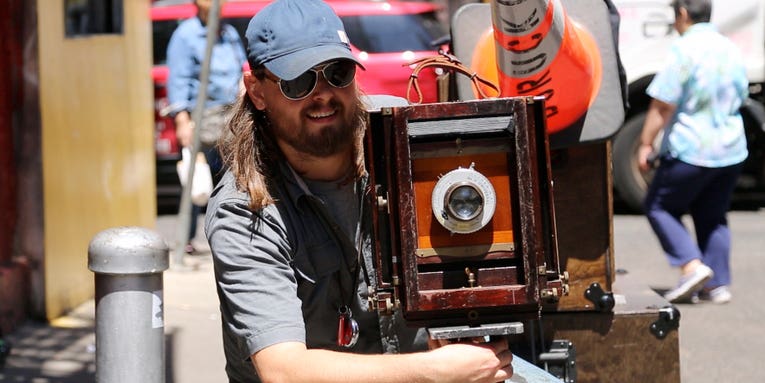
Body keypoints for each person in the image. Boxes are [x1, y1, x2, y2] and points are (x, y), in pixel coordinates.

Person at [204, 0, 514, 382]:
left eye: (338, 72)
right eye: (298, 81)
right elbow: (283, 372)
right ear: (257, 91)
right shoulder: (244, 209)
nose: (323, 95)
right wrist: (434, 371)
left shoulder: (404, 138)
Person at [638, 0, 748, 304]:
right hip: (730, 147)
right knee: (712, 214)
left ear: (683, 14)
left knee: (658, 206)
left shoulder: (684, 49)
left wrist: (646, 143)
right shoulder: (730, 47)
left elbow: (663, 103)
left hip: (692, 146)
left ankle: (691, 265)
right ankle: (717, 285)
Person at [166, 0, 246, 254]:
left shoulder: (228, 32)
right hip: (201, 115)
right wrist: (182, 120)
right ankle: (184, 240)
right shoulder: (186, 35)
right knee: (195, 179)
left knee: (235, 176)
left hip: (229, 114)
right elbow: (178, 78)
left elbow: (241, 68)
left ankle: (234, 235)